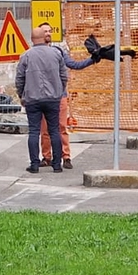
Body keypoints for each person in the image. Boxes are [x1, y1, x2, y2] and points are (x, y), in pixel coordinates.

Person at [37, 21, 98, 170]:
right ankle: (47, 157)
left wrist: (93, 59)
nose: (48, 33)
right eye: (44, 31)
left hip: (60, 96)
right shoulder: (34, 53)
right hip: (43, 96)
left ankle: (66, 157)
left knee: (61, 127)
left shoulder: (59, 52)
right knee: (44, 129)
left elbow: (74, 65)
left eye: (49, 31)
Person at [15, 26, 67, 173]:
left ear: (32, 39)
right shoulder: (56, 54)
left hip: (33, 98)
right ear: (44, 38)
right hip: (53, 99)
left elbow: (19, 79)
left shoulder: (26, 56)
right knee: (54, 130)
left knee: (34, 131)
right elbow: (64, 76)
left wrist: (22, 95)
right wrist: (59, 91)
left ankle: (34, 164)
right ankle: (57, 164)